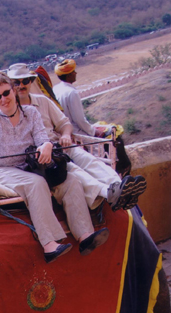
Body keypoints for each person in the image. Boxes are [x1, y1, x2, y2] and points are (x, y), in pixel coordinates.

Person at [0, 72, 110, 262]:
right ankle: (49, 244)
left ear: (13, 91)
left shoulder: (31, 113)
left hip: (29, 164)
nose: (3, 99)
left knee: (70, 180)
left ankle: (85, 235)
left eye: (6, 93)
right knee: (35, 183)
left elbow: (42, 138)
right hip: (3, 169)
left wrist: (45, 146)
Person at [9, 63, 146, 211]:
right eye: (17, 82)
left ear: (30, 82)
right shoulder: (10, 111)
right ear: (11, 85)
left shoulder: (42, 101)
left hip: (59, 146)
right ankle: (108, 194)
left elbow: (64, 123)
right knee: (73, 170)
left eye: (25, 81)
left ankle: (119, 186)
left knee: (89, 160)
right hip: (41, 157)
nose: (21, 85)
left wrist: (66, 134)